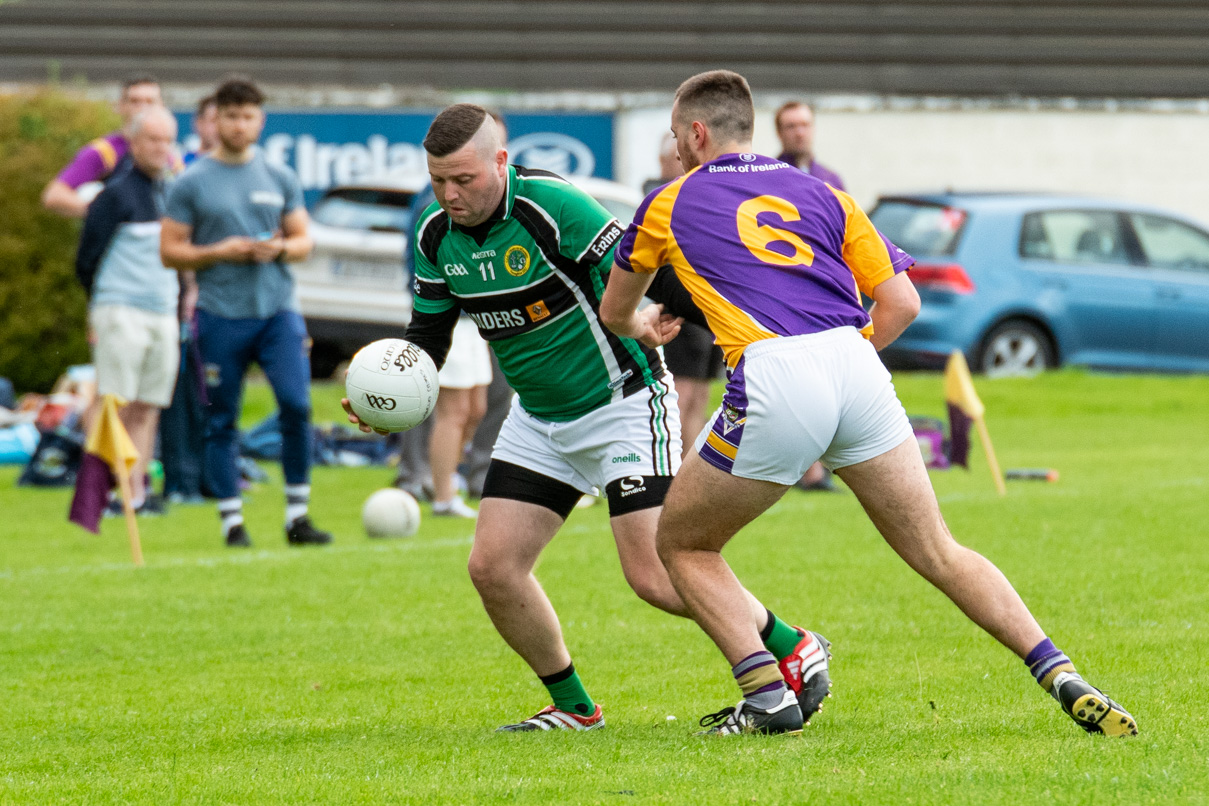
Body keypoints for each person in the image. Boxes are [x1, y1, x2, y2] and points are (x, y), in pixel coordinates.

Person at [600, 70, 1136, 738]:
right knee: (937, 549)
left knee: (682, 545)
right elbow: (901, 303)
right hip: (856, 366)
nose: (677, 150)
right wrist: (841, 369)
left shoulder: (668, 201)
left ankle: (766, 695)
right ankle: (1058, 670)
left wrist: (642, 326)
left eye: (679, 137)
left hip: (772, 371)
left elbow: (616, 308)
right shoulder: (827, 194)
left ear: (697, 133)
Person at [344, 103, 831, 732]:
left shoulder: (552, 208)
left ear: (501, 161)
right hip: (539, 420)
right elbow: (428, 336)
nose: (449, 194)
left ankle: (789, 646)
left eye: (463, 179)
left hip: (624, 403)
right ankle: (575, 708)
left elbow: (639, 265)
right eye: (438, 180)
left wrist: (671, 315)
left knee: (655, 575)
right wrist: (388, 397)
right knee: (492, 568)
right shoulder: (436, 236)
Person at [161, 76, 332, 549]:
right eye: (230, 115)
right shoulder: (191, 182)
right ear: (216, 120)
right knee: (222, 420)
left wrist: (277, 249)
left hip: (277, 312)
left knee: (297, 407)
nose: (239, 124)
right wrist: (220, 251)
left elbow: (304, 241)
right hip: (219, 315)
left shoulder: (279, 177)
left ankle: (298, 516)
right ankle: (231, 522)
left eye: (248, 115)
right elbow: (170, 251)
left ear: (261, 120)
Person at [74, 107, 182, 514]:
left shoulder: (173, 191)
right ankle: (97, 491)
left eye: (167, 140)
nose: (161, 148)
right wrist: (99, 307)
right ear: (134, 143)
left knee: (148, 404)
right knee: (113, 401)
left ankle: (135, 493)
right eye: (153, 140)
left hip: (162, 311)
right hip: (120, 308)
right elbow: (87, 260)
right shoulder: (115, 194)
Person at [642, 132, 724, 456]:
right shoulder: (662, 197)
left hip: (707, 308)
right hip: (684, 309)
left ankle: (687, 468)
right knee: (682, 397)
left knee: (696, 396)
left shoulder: (694, 195)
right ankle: (677, 467)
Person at [43, 75, 165, 218]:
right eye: (135, 101)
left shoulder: (169, 153)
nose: (143, 108)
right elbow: (54, 196)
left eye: (150, 101)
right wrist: (104, 215)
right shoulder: (104, 151)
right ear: (121, 106)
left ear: (161, 106)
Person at [428, 315, 492, 517]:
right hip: (448, 319)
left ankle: (445, 476)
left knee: (476, 409)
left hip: (476, 320)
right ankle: (443, 499)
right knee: (454, 412)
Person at [774, 101, 845, 191]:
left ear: (814, 128)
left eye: (805, 125)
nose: (800, 133)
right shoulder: (771, 177)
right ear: (779, 132)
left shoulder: (831, 180)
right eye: (791, 126)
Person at [184, 94, 219, 165]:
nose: (219, 127)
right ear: (199, 123)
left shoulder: (235, 166)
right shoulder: (182, 165)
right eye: (214, 120)